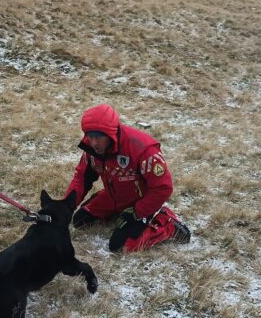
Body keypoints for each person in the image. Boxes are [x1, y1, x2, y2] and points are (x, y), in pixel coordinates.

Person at [66, 104, 190, 252]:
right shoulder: (92, 148)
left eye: (98, 137)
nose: (93, 143)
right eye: (90, 136)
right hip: (114, 196)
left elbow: (163, 188)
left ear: (110, 134)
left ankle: (167, 224)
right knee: (80, 221)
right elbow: (82, 178)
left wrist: (137, 211)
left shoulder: (143, 149)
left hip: (141, 201)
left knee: (120, 247)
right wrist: (64, 207)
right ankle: (119, 213)